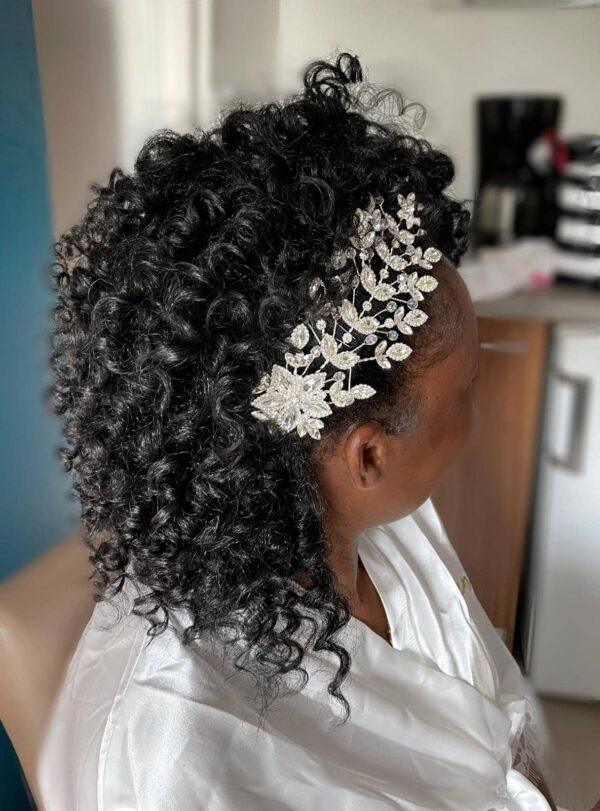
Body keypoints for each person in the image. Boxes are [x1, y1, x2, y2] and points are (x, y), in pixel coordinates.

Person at [37, 52, 566, 810]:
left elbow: (504, 725)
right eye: (467, 393)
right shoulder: (181, 746)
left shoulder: (397, 533)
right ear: (368, 454)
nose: (475, 422)